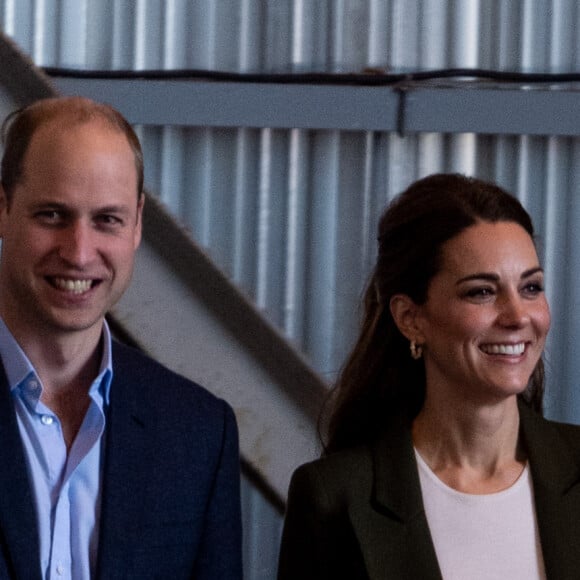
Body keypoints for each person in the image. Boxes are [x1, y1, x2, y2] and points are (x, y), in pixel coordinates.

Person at [278, 173, 580, 580]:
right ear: (410, 318)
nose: (518, 316)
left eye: (531, 287)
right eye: (481, 292)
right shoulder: (336, 496)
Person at [0, 96, 242, 579]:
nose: (79, 252)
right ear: (2, 208)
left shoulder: (197, 433)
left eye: (106, 219)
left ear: (136, 225)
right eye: (52, 215)